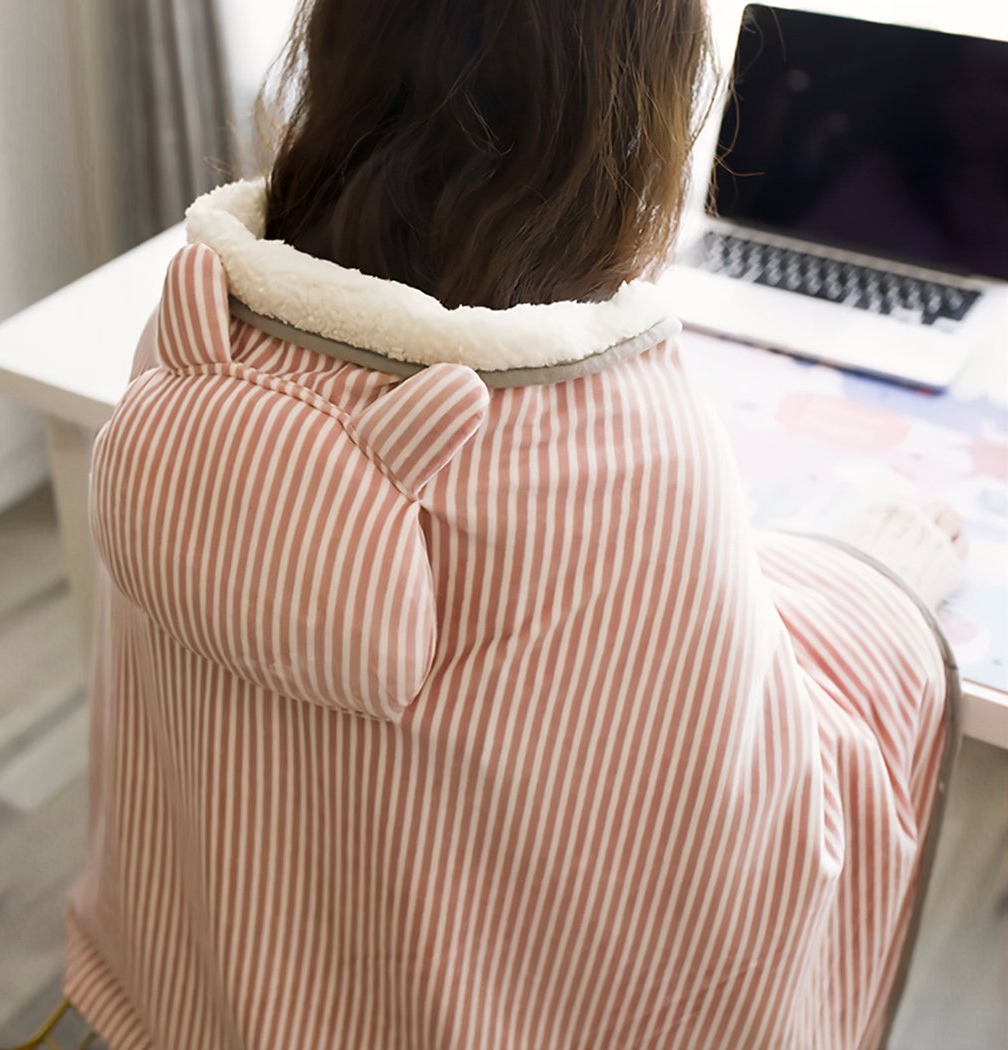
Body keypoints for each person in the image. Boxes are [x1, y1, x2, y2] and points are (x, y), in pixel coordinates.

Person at [64, 1, 963, 1047]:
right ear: (636, 100)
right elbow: (742, 851)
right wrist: (876, 583)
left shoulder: (195, 333)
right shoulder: (625, 446)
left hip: (192, 1006)